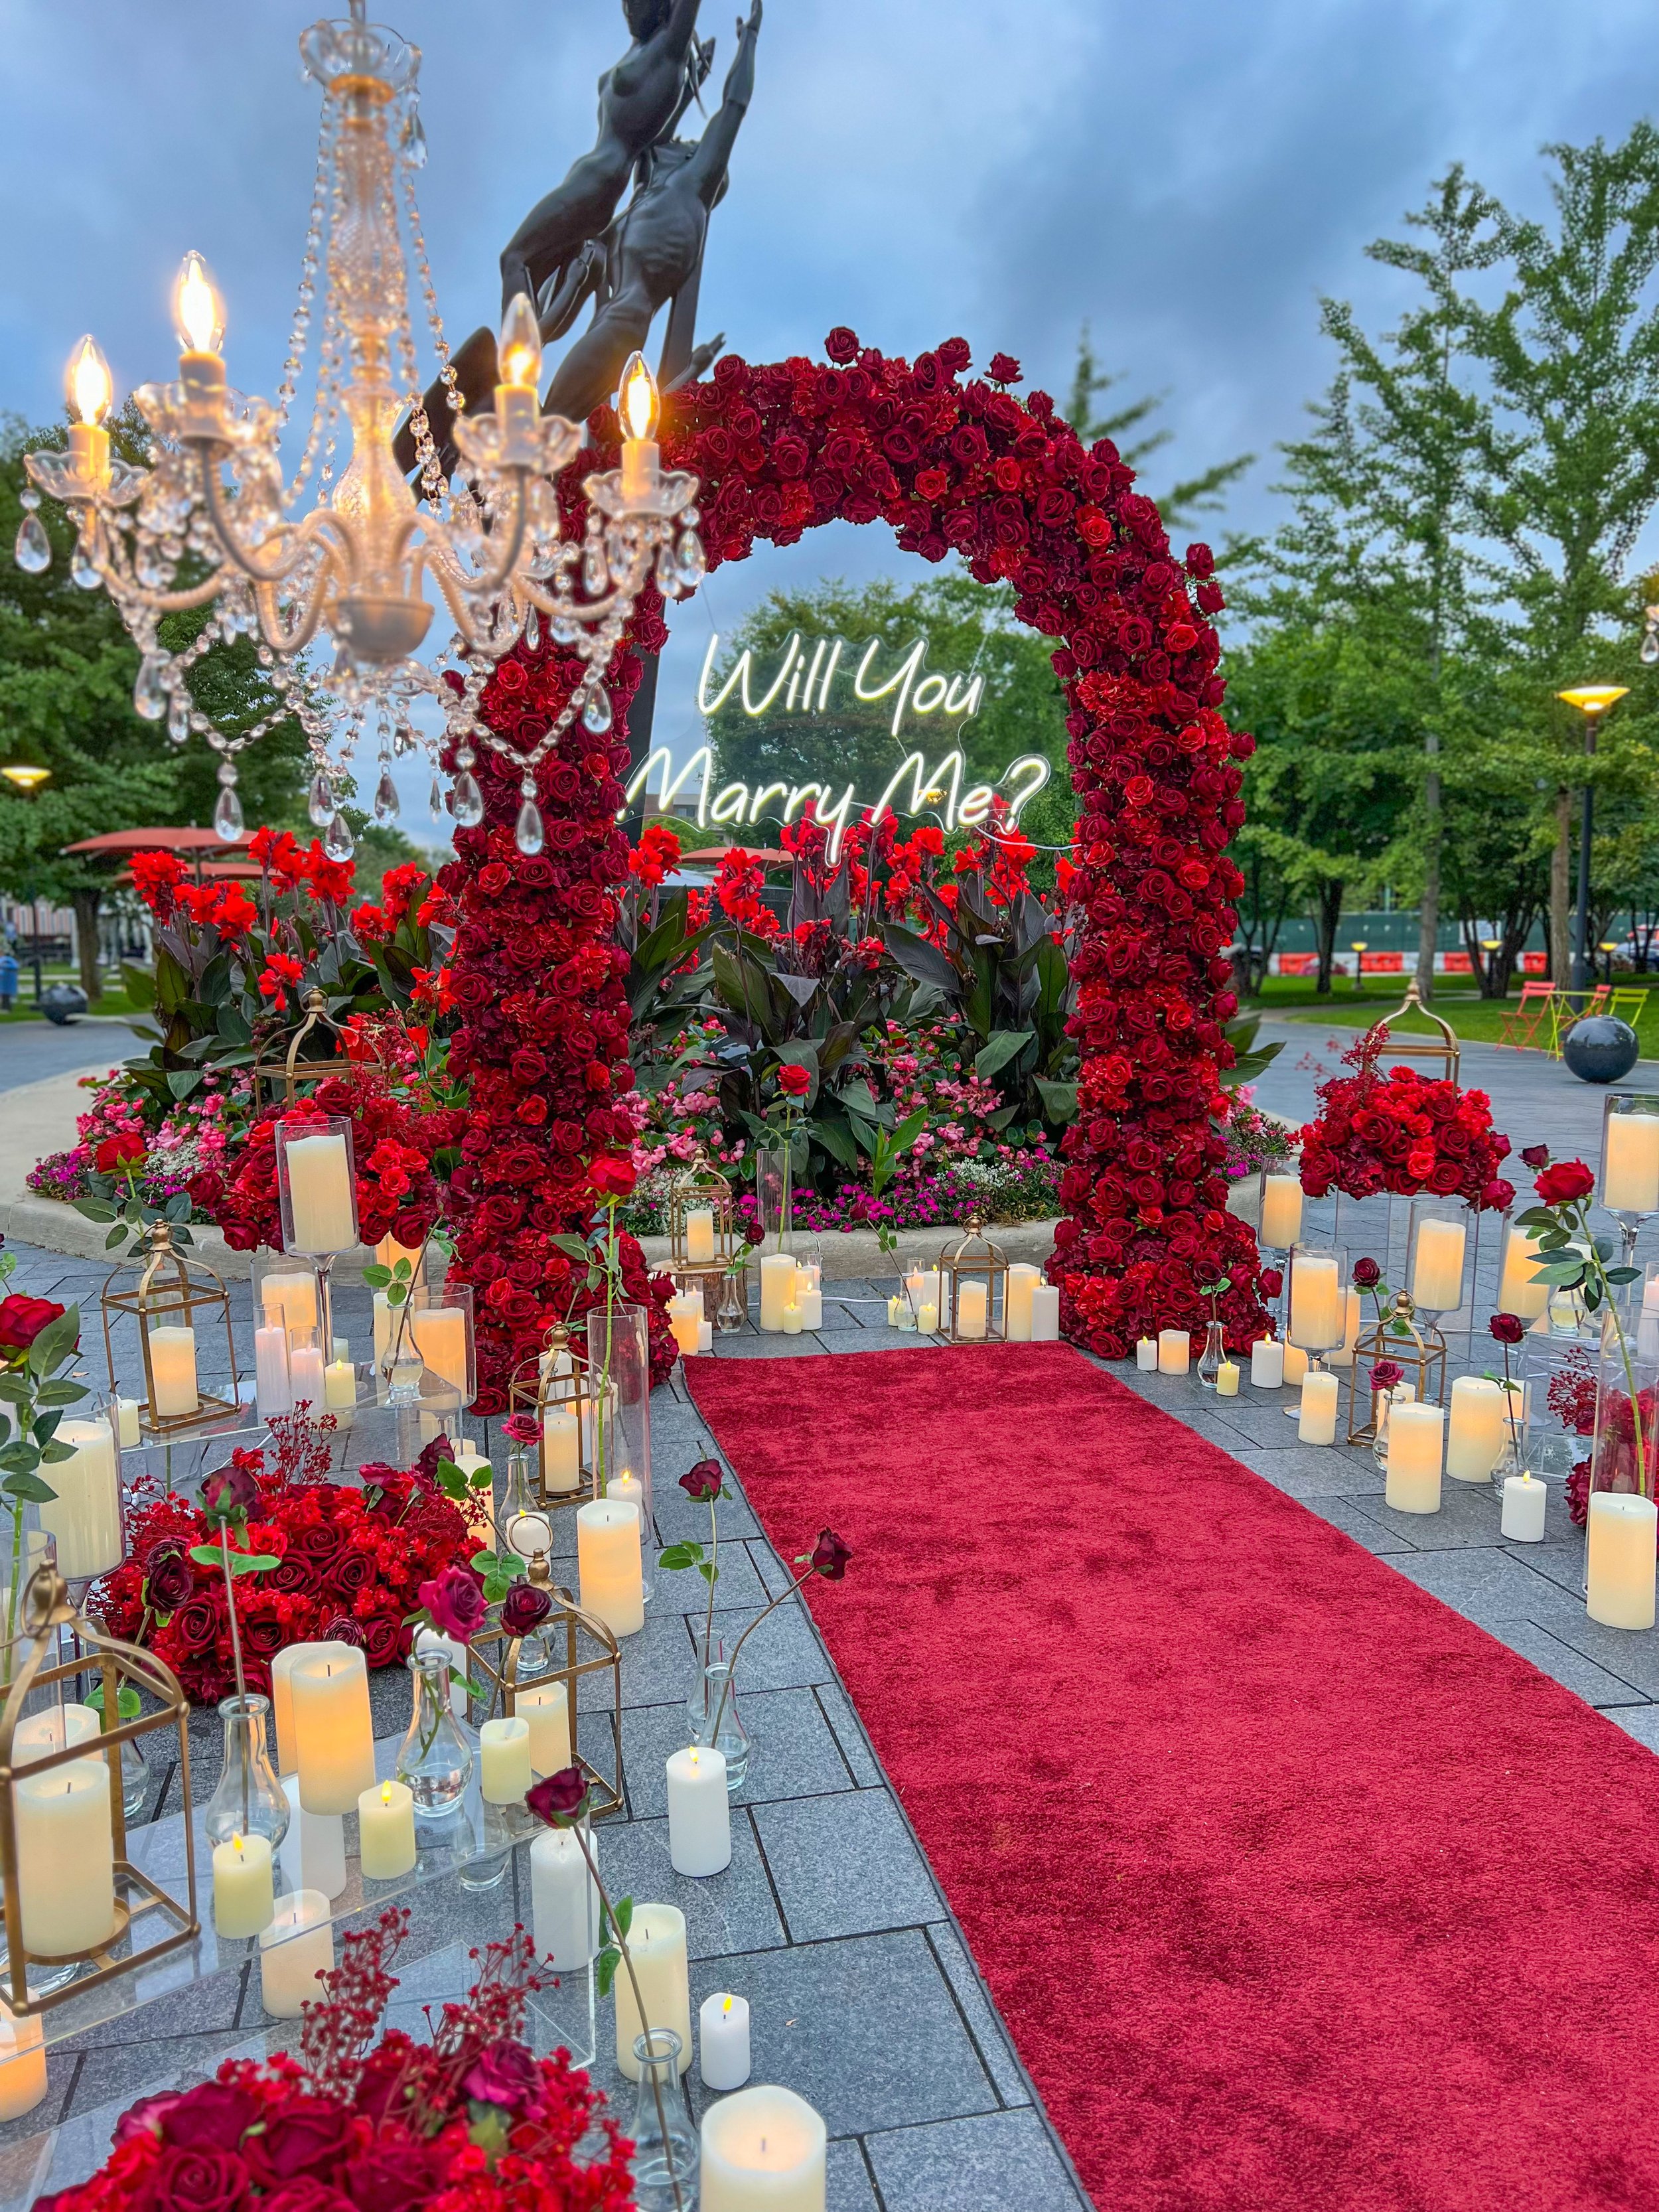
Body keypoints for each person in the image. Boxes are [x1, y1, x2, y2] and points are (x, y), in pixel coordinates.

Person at [0, 948, 18, 1013]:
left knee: (6, 996)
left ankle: (6, 1008)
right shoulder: (4, 960)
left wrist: (4, 967)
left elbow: (15, 966)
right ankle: (5, 1007)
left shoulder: (6, 960)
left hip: (7, 981)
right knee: (4, 996)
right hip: (4, 981)